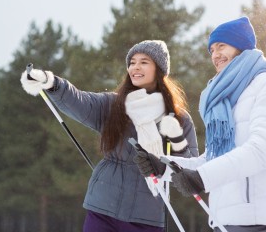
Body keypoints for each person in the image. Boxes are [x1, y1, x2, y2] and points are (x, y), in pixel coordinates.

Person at [134, 17, 266, 231]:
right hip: (222, 220)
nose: (215, 55)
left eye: (222, 46)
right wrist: (163, 166)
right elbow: (212, 160)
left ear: (241, 46)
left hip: (257, 222)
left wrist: (203, 178)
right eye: (211, 49)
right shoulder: (228, 101)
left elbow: (262, 150)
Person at [20, 40, 199, 232]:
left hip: (147, 216)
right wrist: (52, 82)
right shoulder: (114, 105)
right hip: (103, 208)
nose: (135, 67)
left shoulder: (178, 118)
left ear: (159, 69)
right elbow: (80, 101)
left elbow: (191, 170)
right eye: (132, 62)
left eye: (144, 62)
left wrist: (177, 140)